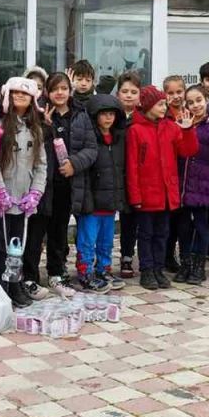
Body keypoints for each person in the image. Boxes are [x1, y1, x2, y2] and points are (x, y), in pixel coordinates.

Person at [25, 73, 97, 297]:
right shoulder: (37, 113)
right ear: (46, 91)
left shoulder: (80, 115)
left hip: (67, 185)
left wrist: (74, 164)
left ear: (70, 90)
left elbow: (91, 148)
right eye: (55, 88)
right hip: (41, 185)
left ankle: (56, 274)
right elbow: (29, 145)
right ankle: (29, 277)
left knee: (59, 232)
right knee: (36, 233)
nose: (60, 92)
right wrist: (45, 125)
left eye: (64, 88)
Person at [126, 86, 198, 290]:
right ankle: (146, 270)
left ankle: (158, 268)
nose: (164, 106)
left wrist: (187, 129)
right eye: (160, 103)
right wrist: (135, 195)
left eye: (164, 103)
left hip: (167, 193)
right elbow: (132, 166)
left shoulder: (171, 127)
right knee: (146, 233)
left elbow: (188, 150)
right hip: (146, 193)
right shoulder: (135, 130)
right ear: (148, 106)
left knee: (162, 233)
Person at [0, 77, 48, 304]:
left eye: (25, 94)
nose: (20, 97)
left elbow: (41, 164)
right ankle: (1, 286)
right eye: (15, 93)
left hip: (24, 199)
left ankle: (15, 284)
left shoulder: (35, 129)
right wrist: (0, 191)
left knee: (18, 246)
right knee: (0, 246)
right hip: (3, 199)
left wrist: (36, 192)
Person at [173, 85, 209, 284]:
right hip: (182, 184)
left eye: (199, 100)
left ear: (207, 101)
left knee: (201, 225)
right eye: (190, 102)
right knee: (183, 226)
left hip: (204, 183)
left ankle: (198, 267)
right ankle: (185, 264)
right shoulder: (181, 122)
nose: (195, 105)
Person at [75, 94, 127, 290]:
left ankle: (103, 269)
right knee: (87, 240)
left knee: (106, 241)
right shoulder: (89, 140)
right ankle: (85, 272)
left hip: (110, 202)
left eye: (112, 114)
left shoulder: (118, 139)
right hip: (92, 203)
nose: (108, 118)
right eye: (104, 114)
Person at [115, 71, 143, 278]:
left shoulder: (143, 118)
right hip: (115, 173)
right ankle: (118, 256)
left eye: (134, 92)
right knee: (118, 219)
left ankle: (130, 256)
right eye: (124, 91)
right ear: (117, 94)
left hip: (138, 175)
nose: (129, 96)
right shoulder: (111, 115)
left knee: (134, 218)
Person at [160, 75, 188, 272]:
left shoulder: (190, 112)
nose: (175, 96)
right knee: (167, 221)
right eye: (170, 93)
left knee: (181, 221)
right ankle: (165, 256)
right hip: (169, 174)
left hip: (187, 173)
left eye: (179, 92)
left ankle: (178, 255)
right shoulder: (163, 115)